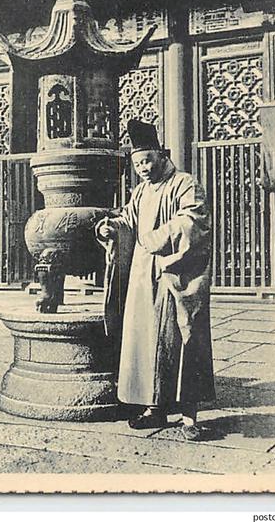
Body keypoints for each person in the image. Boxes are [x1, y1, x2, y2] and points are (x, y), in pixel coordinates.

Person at [96, 119, 215, 441]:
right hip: (141, 276)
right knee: (146, 340)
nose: (143, 168)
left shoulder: (185, 183)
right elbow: (128, 220)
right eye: (137, 164)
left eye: (147, 161)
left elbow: (194, 220)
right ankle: (153, 407)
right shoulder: (141, 191)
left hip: (175, 273)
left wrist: (155, 239)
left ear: (162, 156)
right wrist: (111, 227)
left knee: (181, 338)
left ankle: (189, 416)